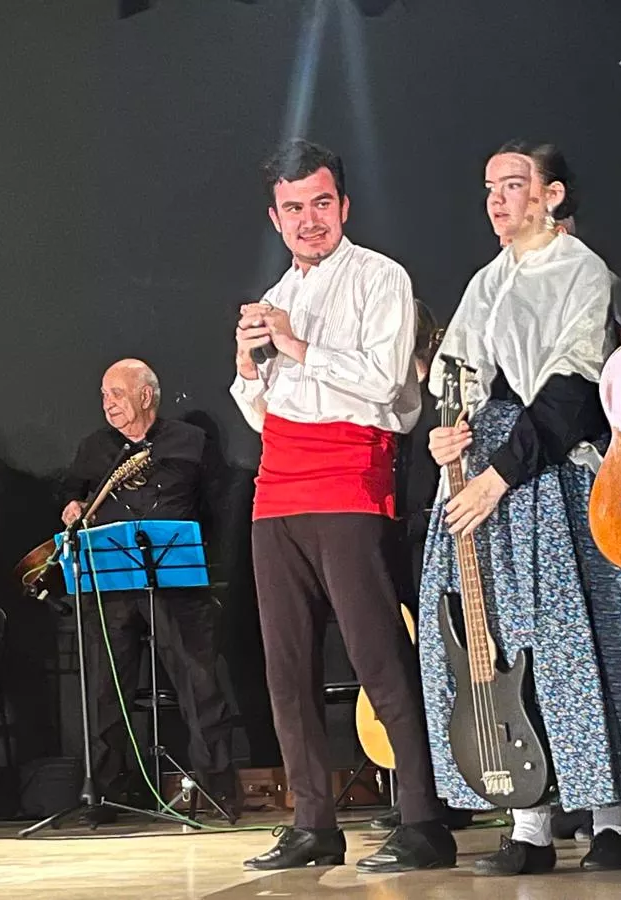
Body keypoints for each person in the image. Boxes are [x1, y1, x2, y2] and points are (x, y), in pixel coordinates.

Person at [420, 141, 621, 876]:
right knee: (493, 644)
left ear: (552, 196)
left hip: (549, 473)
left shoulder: (581, 271)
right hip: (484, 486)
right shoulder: (486, 280)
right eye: (489, 186)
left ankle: (610, 817)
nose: (497, 200)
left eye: (514, 185)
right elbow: (456, 378)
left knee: (574, 644)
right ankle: (528, 821)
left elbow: (572, 389)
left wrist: (498, 475)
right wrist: (446, 440)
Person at [231, 139, 452, 873]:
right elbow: (267, 415)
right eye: (293, 208)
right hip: (277, 487)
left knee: (377, 656)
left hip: (350, 479)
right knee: (285, 668)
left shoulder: (380, 277)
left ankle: (425, 818)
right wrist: (246, 372)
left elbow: (390, 386)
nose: (309, 220)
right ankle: (312, 822)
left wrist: (294, 347)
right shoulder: (277, 295)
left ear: (344, 205)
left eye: (321, 203)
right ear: (275, 217)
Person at [59, 358, 237, 823]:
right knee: (104, 691)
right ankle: (104, 796)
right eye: (103, 396)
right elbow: (71, 499)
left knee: (200, 684)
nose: (107, 404)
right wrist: (72, 507)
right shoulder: (94, 448)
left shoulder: (191, 443)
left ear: (146, 396)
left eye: (116, 394)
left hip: (177, 581)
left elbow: (219, 508)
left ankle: (218, 790)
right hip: (113, 583)